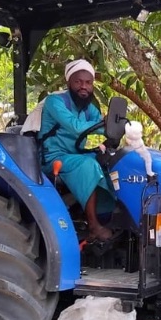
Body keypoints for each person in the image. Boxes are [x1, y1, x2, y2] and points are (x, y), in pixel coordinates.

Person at [39, 59, 117, 242]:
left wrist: (115, 129)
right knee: (88, 165)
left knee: (112, 161)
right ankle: (94, 226)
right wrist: (104, 125)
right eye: (78, 82)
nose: (84, 86)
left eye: (88, 83)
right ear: (69, 83)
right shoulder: (55, 101)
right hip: (53, 158)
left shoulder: (89, 109)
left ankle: (111, 216)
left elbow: (102, 128)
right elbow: (76, 126)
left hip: (75, 154)